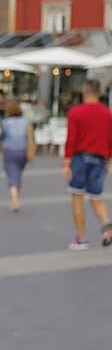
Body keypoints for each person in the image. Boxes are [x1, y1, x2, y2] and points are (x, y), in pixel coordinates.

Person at [63, 79, 112, 250]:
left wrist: (66, 163)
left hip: (80, 158)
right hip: (100, 158)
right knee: (96, 197)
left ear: (84, 92)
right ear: (99, 93)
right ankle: (107, 225)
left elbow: (71, 139)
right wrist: (108, 161)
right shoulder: (107, 113)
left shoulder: (76, 112)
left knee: (77, 197)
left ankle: (82, 239)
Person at [0, 99, 33, 213]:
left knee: (12, 174)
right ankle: (16, 198)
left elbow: (2, 137)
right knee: (18, 173)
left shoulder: (5, 122)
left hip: (10, 150)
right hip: (23, 150)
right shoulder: (25, 121)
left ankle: (14, 199)